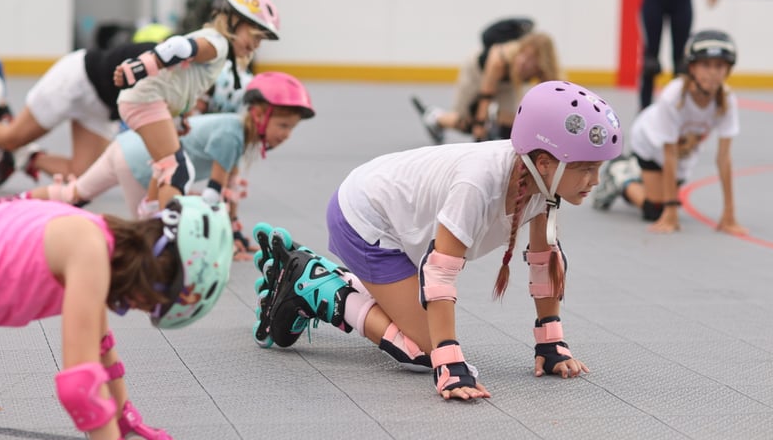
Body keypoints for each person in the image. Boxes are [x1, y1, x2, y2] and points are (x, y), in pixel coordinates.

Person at [251, 81, 623, 400]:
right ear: (545, 161)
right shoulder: (477, 184)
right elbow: (441, 272)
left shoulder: (543, 184)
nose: (595, 180)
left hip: (400, 222)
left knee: (430, 338)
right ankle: (315, 282)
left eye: (599, 168)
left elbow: (544, 261)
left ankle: (335, 282)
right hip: (364, 217)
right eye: (586, 168)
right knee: (421, 353)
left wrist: (551, 342)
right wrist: (449, 359)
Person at [0, 195, 233, 440]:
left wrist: (125, 423)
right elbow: (79, 385)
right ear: (155, 270)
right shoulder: (89, 251)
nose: (140, 308)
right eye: (152, 301)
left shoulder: (97, 236)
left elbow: (101, 347)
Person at [10, 72, 315, 261]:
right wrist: (221, 244)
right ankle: (80, 247)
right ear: (259, 114)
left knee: (73, 192)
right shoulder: (232, 135)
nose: (285, 135)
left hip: (126, 147)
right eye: (283, 125)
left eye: (291, 129)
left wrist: (235, 234)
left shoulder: (237, 130)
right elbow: (215, 196)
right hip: (140, 165)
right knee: (145, 238)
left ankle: (9, 207)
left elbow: (228, 191)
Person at [112, 0, 280, 210]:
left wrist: (180, 117)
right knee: (178, 171)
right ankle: (167, 232)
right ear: (234, 21)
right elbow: (179, 47)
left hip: (151, 100)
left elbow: (183, 82)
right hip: (146, 99)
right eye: (256, 37)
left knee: (164, 168)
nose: (256, 47)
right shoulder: (218, 43)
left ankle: (150, 223)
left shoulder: (218, 48)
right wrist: (140, 67)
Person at [591, 29, 747, 235]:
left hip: (683, 153)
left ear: (728, 70)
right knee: (655, 209)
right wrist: (670, 210)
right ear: (692, 67)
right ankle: (620, 175)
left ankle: (637, 175)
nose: (713, 72)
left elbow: (724, 158)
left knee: (663, 196)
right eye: (706, 65)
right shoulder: (674, 97)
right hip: (649, 141)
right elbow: (668, 152)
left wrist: (729, 214)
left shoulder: (727, 100)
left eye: (719, 66)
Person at [0, 41, 159, 190]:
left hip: (102, 108)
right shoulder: (169, 57)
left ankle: (24, 156)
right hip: (79, 78)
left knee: (80, 177)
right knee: (12, 137)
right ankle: (13, 147)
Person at [412, 28, 560, 144]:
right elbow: (486, 94)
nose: (523, 61)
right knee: (467, 122)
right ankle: (434, 118)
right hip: (477, 73)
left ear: (542, 62)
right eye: (523, 54)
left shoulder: (544, 70)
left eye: (531, 59)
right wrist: (479, 126)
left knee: (513, 122)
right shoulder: (502, 58)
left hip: (506, 83)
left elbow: (550, 99)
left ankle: (489, 126)